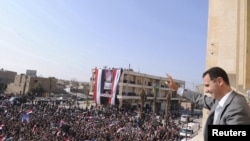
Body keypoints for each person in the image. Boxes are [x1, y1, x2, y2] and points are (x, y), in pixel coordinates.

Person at [165, 66, 250, 141]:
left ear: (219, 81)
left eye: (207, 85)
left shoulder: (237, 105)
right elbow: (199, 98)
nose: (206, 90)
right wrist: (177, 88)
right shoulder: (218, 101)